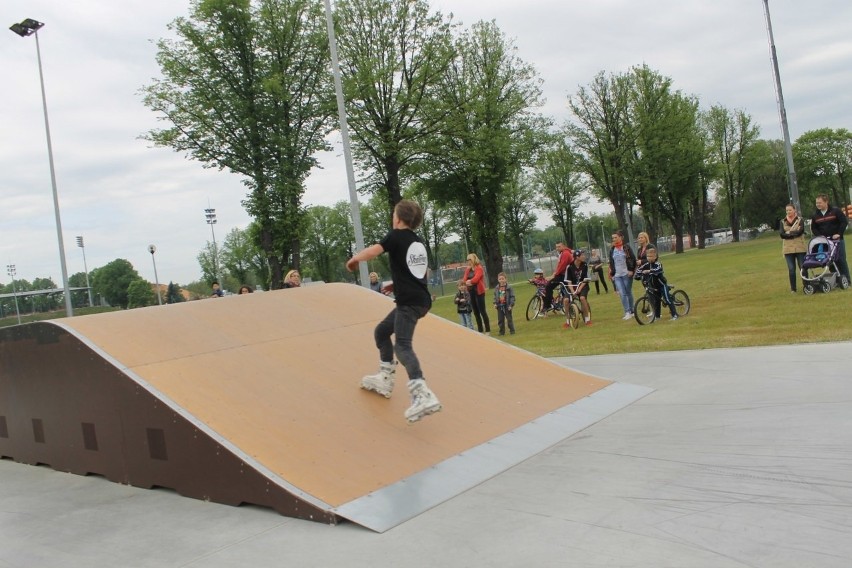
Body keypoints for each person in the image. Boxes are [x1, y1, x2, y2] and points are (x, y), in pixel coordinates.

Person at [345, 199, 441, 424]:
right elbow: (420, 273)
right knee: (381, 331)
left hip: (409, 303)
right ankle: (385, 377)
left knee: (402, 345)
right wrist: (396, 286)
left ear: (398, 218)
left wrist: (355, 259)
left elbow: (374, 251)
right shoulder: (417, 242)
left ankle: (422, 394)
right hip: (419, 299)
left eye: (393, 215)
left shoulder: (395, 235)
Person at [811, 194, 849, 283]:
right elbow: (814, 228)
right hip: (825, 242)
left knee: (841, 260)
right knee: (830, 261)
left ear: (826, 202)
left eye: (820, 203)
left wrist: (839, 234)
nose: (818, 204)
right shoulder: (815, 215)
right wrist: (820, 236)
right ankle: (836, 281)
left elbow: (844, 222)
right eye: (817, 203)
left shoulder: (836, 211)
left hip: (837, 241)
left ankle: (847, 281)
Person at [635, 246, 678, 320]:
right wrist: (637, 275)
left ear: (655, 257)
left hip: (661, 285)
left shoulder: (658, 264)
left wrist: (649, 271)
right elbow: (639, 269)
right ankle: (657, 316)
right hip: (654, 287)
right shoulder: (646, 265)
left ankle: (674, 315)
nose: (649, 258)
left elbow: (658, 270)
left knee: (667, 299)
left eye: (651, 256)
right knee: (656, 301)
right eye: (648, 256)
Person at [608, 230, 637, 320]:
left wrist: (631, 270)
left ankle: (632, 311)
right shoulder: (612, 249)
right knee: (622, 293)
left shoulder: (626, 247)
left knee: (628, 292)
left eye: (616, 237)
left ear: (621, 237)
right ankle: (627, 311)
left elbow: (633, 259)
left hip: (627, 274)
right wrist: (612, 273)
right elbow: (611, 262)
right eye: (613, 238)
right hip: (617, 275)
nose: (614, 239)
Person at [779, 203, 806, 293]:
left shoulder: (800, 220)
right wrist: (793, 232)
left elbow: (800, 232)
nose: (788, 212)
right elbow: (782, 234)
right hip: (788, 249)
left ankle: (807, 285)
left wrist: (789, 233)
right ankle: (793, 289)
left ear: (794, 210)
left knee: (803, 267)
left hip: (800, 248)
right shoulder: (783, 221)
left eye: (790, 210)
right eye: (787, 210)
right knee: (791, 269)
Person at [462, 253, 491, 334]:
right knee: (475, 312)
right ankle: (480, 330)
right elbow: (464, 280)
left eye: (470, 259)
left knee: (482, 311)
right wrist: (468, 282)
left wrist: (470, 281)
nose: (468, 261)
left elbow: (476, 279)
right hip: (471, 292)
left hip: (479, 292)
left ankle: (488, 330)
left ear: (474, 259)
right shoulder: (468, 270)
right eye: (467, 260)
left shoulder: (479, 268)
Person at [542, 242, 574, 313]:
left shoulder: (565, 253)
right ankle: (568, 307)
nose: (557, 248)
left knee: (548, 287)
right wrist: (555, 273)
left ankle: (547, 306)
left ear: (563, 246)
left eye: (559, 247)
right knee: (565, 292)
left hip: (563, 275)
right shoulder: (565, 252)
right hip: (566, 275)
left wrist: (554, 275)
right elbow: (560, 265)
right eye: (556, 247)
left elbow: (562, 265)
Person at [565, 249, 592, 327]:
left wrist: (579, 289)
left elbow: (586, 280)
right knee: (566, 300)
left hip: (582, 285)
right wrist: (573, 290)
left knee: (583, 298)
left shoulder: (585, 265)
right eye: (582, 255)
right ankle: (567, 321)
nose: (584, 256)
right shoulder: (569, 267)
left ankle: (587, 319)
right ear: (577, 257)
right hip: (572, 286)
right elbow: (568, 281)